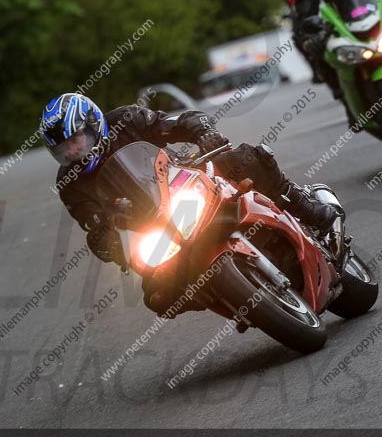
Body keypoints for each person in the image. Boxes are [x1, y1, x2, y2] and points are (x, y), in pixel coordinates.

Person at [42, 93, 343, 315]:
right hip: (154, 228)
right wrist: (108, 239)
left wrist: (203, 132)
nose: (72, 151)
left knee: (248, 159)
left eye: (76, 139)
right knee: (158, 297)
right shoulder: (70, 183)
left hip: (184, 181)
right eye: (62, 148)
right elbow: (93, 226)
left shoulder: (126, 120)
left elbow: (176, 123)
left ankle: (305, 207)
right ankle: (228, 297)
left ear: (93, 123)